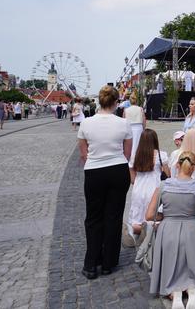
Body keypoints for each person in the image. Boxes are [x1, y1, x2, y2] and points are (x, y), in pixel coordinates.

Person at [146, 151, 195, 309]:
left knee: (172, 262)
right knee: (190, 260)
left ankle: (175, 292)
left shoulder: (164, 186)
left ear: (177, 165)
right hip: (191, 228)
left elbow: (149, 215)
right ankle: (192, 289)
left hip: (168, 228)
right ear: (194, 167)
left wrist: (165, 216)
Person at [77, 85, 132, 279]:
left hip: (94, 171)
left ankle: (91, 263)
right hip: (118, 170)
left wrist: (95, 160)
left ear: (99, 102)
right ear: (116, 102)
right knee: (113, 217)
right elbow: (127, 153)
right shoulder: (123, 124)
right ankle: (109, 262)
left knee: (93, 218)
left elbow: (83, 153)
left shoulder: (86, 123)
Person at [126, 129, 169, 244]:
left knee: (138, 214)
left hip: (139, 188)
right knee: (153, 213)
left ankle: (138, 235)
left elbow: (132, 179)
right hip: (154, 187)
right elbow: (168, 175)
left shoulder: (135, 156)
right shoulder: (161, 155)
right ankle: (152, 237)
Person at [124, 94, 146, 162]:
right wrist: (144, 128)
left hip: (129, 127)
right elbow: (143, 120)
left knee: (130, 145)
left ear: (129, 101)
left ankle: (131, 160)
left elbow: (123, 120)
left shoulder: (126, 110)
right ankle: (139, 159)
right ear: (136, 101)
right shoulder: (140, 109)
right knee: (139, 144)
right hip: (139, 127)